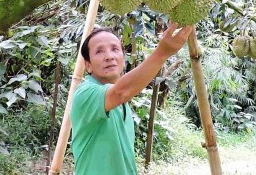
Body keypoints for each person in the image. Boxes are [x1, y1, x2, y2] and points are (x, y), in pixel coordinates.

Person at [70, 22, 194, 175]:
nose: (109, 56)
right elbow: (120, 92)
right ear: (88, 65)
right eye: (99, 51)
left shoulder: (121, 104)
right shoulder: (85, 93)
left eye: (115, 49)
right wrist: (163, 52)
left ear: (123, 58)